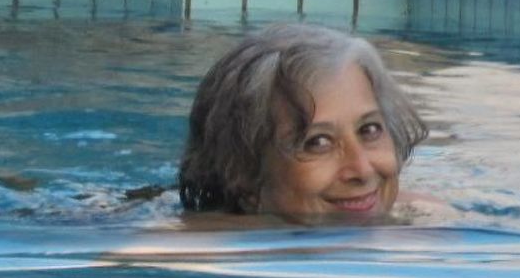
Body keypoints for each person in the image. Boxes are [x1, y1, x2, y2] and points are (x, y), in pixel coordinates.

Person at [178, 23, 445, 224]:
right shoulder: (185, 248)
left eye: (370, 130)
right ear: (243, 175)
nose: (362, 170)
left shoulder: (430, 219)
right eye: (318, 142)